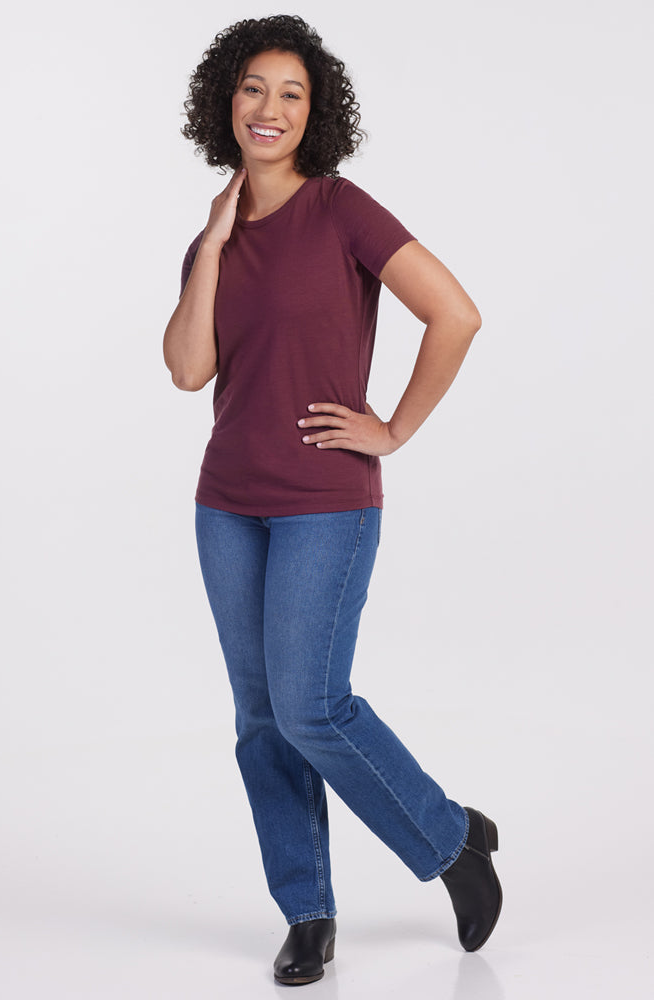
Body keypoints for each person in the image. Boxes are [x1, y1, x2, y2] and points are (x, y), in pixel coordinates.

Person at [163, 13, 502, 986]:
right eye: (253, 89)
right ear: (225, 101)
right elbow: (189, 369)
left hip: (325, 500)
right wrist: (215, 244)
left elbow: (456, 312)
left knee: (313, 706)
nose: (268, 108)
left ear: (315, 114)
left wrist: (391, 428)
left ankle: (449, 841)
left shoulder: (342, 209)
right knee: (261, 718)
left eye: (291, 93)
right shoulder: (211, 235)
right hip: (226, 505)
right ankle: (306, 911)